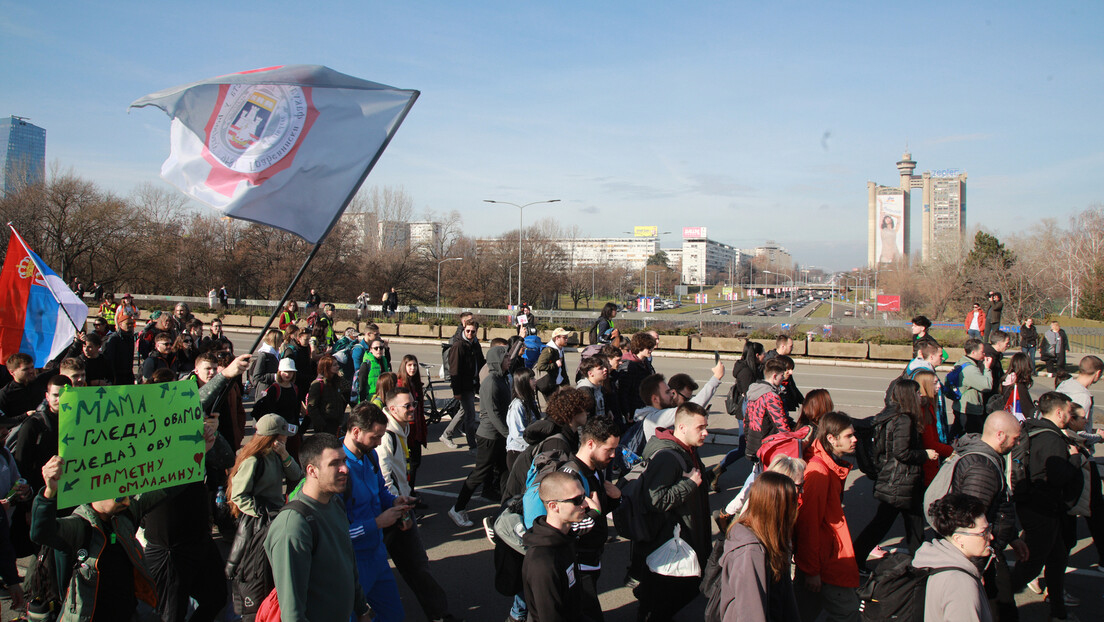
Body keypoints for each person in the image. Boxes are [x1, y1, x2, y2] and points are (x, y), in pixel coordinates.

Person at [265, 433, 373, 622]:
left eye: (344, 461)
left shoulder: (335, 504)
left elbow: (348, 563)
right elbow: (292, 611)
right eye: (334, 464)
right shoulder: (293, 526)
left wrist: (361, 608)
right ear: (312, 470)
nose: (345, 469)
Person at [375, 390, 462, 622]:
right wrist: (400, 508)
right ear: (392, 409)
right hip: (395, 510)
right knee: (414, 565)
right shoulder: (386, 436)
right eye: (408, 406)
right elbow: (384, 478)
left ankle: (437, 613)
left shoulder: (400, 428)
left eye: (414, 404)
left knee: (412, 565)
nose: (413, 409)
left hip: (401, 505)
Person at [633, 402, 713, 621]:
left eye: (706, 426)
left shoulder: (688, 450)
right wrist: (689, 485)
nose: (706, 432)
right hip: (674, 543)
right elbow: (655, 499)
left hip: (682, 540)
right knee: (673, 596)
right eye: (700, 428)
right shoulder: (668, 456)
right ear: (682, 427)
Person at [947, 410, 1027, 622]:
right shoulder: (982, 467)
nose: (1017, 444)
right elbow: (970, 521)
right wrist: (975, 570)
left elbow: (995, 507)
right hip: (982, 554)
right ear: (1000, 435)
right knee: (999, 609)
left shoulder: (988, 457)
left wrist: (1012, 538)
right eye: (1015, 438)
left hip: (988, 549)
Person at [853, 379, 939, 570]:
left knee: (912, 523)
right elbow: (901, 452)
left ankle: (918, 560)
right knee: (885, 523)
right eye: (917, 393)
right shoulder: (904, 420)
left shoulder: (897, 416)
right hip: (900, 481)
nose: (920, 396)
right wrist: (925, 454)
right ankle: (857, 558)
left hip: (902, 480)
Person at [1010, 392, 1081, 622]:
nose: (1071, 416)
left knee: (1057, 558)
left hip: (1035, 505)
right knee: (1030, 565)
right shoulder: (1053, 440)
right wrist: (1075, 459)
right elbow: (1059, 476)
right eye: (1069, 412)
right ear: (1059, 412)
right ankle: (996, 602)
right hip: (1043, 509)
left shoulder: (1032, 428)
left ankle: (1057, 610)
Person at [225, 414, 303, 620]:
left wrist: (285, 455)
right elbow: (238, 496)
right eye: (283, 435)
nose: (287, 437)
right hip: (259, 524)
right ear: (273, 437)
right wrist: (262, 513)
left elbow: (296, 475)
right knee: (255, 571)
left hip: (273, 518)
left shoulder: (276, 453)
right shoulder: (253, 459)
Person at [340, 404, 414, 622]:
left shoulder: (369, 456)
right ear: (356, 432)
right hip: (352, 564)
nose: (380, 442)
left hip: (377, 556)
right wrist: (378, 523)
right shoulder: (338, 470)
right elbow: (337, 532)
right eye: (375, 437)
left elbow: (380, 491)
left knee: (393, 615)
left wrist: (395, 502)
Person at [793, 412, 861, 622]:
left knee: (804, 612)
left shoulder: (827, 464)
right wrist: (813, 571)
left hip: (823, 559)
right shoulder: (819, 472)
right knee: (847, 613)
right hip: (825, 562)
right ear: (831, 439)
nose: (855, 439)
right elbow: (808, 525)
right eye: (849, 436)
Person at [714, 471, 801, 622]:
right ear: (779, 508)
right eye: (793, 501)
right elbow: (751, 614)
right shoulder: (751, 551)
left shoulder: (772, 539)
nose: (798, 506)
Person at [559, 417, 621, 621]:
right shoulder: (571, 478)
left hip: (591, 558)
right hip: (578, 563)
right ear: (591, 443)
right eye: (609, 450)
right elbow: (569, 527)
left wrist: (614, 499)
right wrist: (594, 514)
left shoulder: (594, 470)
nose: (613, 455)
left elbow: (598, 509)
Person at [449, 344, 511, 528]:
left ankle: (506, 506)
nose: (509, 360)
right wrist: (509, 434)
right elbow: (493, 414)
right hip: (489, 436)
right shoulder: (491, 382)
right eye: (505, 357)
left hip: (499, 436)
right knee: (479, 473)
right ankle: (457, 508)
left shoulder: (502, 379)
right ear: (497, 360)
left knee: (504, 470)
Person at [521, 471, 590, 622]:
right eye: (577, 500)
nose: (585, 504)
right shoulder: (542, 563)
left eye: (584, 497)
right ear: (554, 506)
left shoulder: (565, 538)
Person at [916, 493, 995, 622]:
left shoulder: (933, 559)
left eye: (989, 529)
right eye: (983, 532)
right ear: (958, 539)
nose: (990, 537)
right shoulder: (961, 585)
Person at [637, 361, 724, 441]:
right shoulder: (656, 418)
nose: (671, 394)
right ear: (655, 399)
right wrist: (716, 378)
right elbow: (691, 406)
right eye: (667, 392)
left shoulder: (656, 415)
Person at [441, 320, 484, 449]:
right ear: (464, 329)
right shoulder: (458, 346)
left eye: (473, 331)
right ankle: (472, 445)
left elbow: (481, 362)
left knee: (463, 411)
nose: (470, 333)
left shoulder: (476, 344)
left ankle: (447, 434)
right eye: (468, 331)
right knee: (470, 415)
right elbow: (454, 370)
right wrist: (457, 391)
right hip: (463, 386)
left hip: (472, 384)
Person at [253, 358, 308, 459]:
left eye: (291, 372)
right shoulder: (274, 389)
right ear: (279, 372)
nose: (288, 374)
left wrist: (298, 430)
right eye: (285, 371)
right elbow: (269, 412)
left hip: (291, 430)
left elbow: (296, 411)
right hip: (277, 432)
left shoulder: (295, 388)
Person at [744, 358, 794, 462]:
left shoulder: (754, 391)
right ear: (774, 376)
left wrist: (748, 442)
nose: (783, 379)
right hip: (768, 444)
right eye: (781, 376)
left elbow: (747, 420)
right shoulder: (771, 396)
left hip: (753, 440)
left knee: (758, 473)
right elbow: (781, 425)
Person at [396, 354, 429, 491]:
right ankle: (408, 494)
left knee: (415, 463)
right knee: (409, 465)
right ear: (404, 366)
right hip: (407, 430)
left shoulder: (415, 383)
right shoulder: (400, 384)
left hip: (417, 429)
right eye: (409, 365)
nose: (413, 368)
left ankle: (411, 493)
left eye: (415, 365)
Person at [914, 369, 953, 485]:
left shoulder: (928, 405)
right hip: (927, 465)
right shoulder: (923, 408)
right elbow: (929, 443)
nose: (939, 386)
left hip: (930, 461)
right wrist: (951, 451)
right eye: (934, 383)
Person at [953, 338, 994, 434]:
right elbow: (987, 386)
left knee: (957, 432)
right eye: (982, 352)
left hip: (960, 405)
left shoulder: (960, 362)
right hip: (969, 409)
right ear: (974, 352)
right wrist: (987, 368)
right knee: (971, 435)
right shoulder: (970, 369)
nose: (984, 354)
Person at [1056, 355, 1102, 437]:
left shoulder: (1065, 384)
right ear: (1098, 373)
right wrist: (1098, 437)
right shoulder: (1083, 396)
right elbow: (1078, 431)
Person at [0, 353, 54, 423]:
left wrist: (73, 346)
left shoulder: (40, 381)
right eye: (25, 369)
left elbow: (61, 367)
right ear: (12, 372)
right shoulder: (5, 394)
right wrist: (25, 416)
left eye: (32, 367)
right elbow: (3, 421)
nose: (31, 371)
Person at [506, 367, 541, 473]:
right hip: (518, 452)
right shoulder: (517, 405)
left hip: (528, 451)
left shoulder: (530, 401)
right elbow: (517, 434)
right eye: (531, 378)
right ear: (523, 382)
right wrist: (535, 445)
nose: (535, 381)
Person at [308, 354, 350, 434]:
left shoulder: (337, 381)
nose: (338, 366)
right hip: (324, 424)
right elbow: (312, 407)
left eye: (337, 364)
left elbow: (348, 388)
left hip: (336, 422)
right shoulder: (318, 384)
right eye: (334, 365)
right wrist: (321, 424)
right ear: (326, 367)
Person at [618, 332, 658, 414]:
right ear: (640, 347)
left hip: (644, 405)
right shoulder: (628, 364)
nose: (651, 350)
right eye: (649, 347)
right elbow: (624, 392)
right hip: (634, 408)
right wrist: (627, 411)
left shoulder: (645, 362)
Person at [536, 327, 572, 398]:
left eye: (567, 337)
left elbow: (562, 369)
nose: (567, 339)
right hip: (548, 385)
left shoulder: (560, 349)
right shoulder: (548, 350)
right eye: (564, 337)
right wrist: (555, 365)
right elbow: (540, 366)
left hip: (556, 384)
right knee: (553, 407)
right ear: (557, 338)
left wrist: (567, 386)